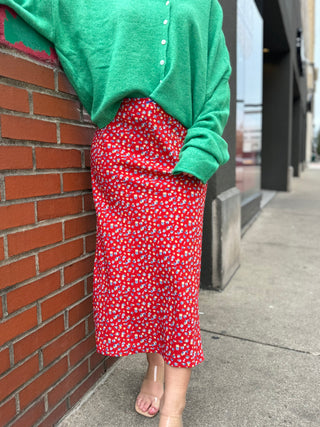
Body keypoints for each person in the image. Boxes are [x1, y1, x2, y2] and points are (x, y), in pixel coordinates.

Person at [0, 1, 231, 426]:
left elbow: (217, 80)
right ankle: (153, 367)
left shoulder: (206, 5)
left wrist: (200, 152)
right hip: (121, 154)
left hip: (180, 152)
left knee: (176, 279)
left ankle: (173, 413)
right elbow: (50, 9)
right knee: (140, 275)